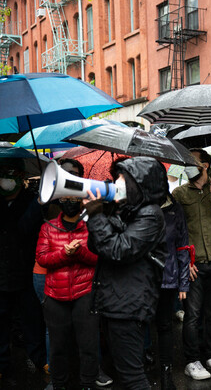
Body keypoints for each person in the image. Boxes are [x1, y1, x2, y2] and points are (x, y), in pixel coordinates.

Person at [84, 157, 169, 390]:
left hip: (128, 305)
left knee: (132, 376)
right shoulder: (128, 211)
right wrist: (106, 213)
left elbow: (119, 250)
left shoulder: (150, 215)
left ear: (139, 183)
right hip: (116, 301)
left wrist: (97, 216)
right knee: (123, 371)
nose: (117, 182)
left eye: (123, 179)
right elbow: (97, 246)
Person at [172, 149, 211, 381]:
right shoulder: (179, 194)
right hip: (193, 265)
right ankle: (192, 360)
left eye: (192, 162)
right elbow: (177, 231)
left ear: (205, 166)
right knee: (192, 315)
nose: (188, 166)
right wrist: (185, 261)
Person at [36, 186, 99, 390]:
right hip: (55, 294)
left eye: (75, 199)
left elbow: (98, 259)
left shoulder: (91, 227)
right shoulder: (48, 227)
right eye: (66, 198)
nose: (71, 202)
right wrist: (65, 254)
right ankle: (58, 383)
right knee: (58, 346)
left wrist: (79, 253)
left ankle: (88, 383)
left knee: (88, 344)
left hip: (85, 293)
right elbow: (43, 259)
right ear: (60, 202)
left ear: (81, 202)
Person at [0, 158, 46, 385]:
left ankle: (39, 360)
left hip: (27, 272)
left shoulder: (33, 202)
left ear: (21, 176)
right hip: (1, 275)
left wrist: (39, 203)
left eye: (11, 172)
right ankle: (4, 367)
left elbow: (24, 230)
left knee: (32, 321)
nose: (5, 178)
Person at [156, 192, 191, 389]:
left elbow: (182, 245)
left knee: (164, 326)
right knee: (138, 326)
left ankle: (166, 374)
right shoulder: (134, 205)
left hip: (167, 276)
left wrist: (183, 282)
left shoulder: (175, 209)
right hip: (140, 278)